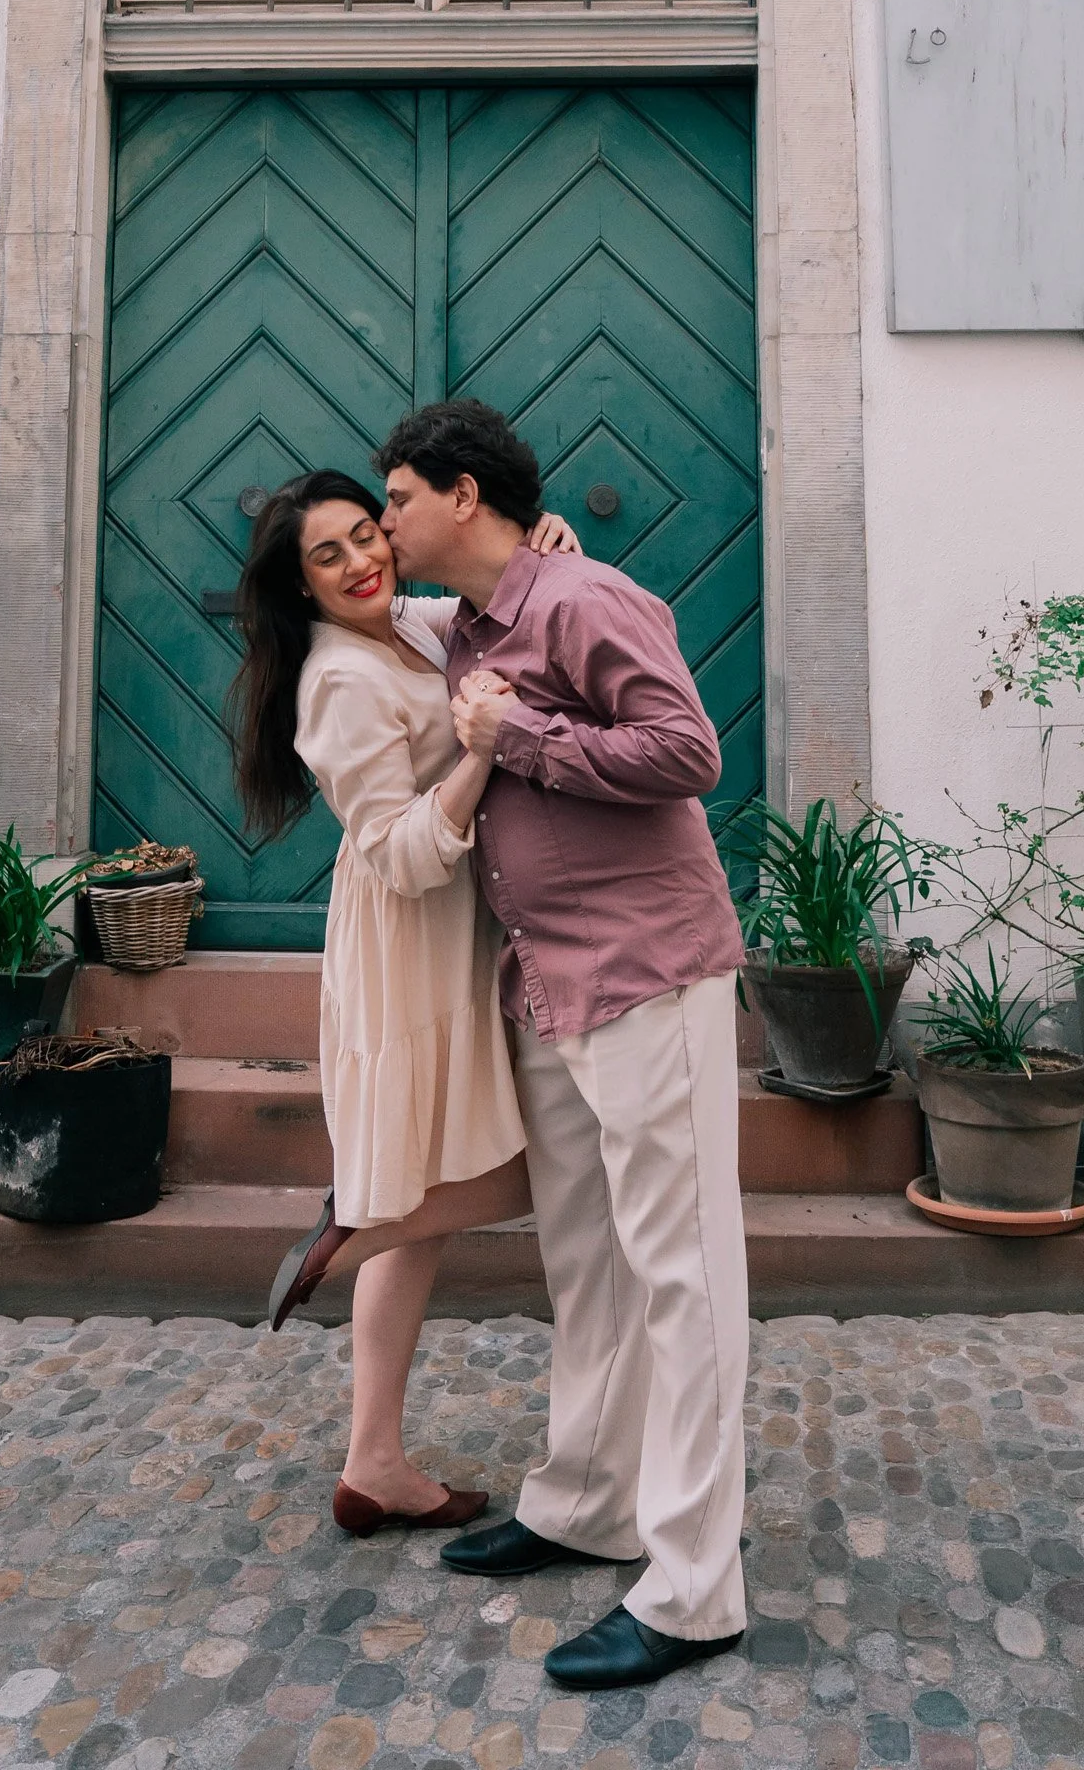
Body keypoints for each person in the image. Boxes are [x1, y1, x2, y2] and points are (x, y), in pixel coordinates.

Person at [375, 397, 749, 1694]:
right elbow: (347, 611)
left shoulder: (585, 604)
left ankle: (696, 1589)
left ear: (462, 496)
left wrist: (516, 735)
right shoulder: (471, 622)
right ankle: (588, 1500)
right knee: (588, 1263)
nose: (387, 523)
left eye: (401, 500)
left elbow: (687, 751)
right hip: (552, 986)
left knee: (685, 1281)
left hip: (649, 977)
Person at [230, 470, 576, 1538]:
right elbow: (399, 853)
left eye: (360, 534)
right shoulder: (336, 680)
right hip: (408, 945)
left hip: (458, 933)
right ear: (299, 590)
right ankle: (355, 1227)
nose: (357, 562)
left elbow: (488, 613)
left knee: (422, 1201)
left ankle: (372, 1459)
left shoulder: (410, 626)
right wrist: (477, 757)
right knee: (520, 1166)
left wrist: (537, 552)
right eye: (324, 558)